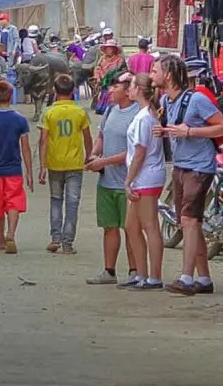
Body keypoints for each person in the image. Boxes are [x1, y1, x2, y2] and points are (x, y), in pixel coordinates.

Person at [151, 54, 223, 295]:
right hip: (181, 165)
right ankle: (204, 278)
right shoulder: (166, 99)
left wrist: (190, 131)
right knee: (189, 222)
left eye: (155, 70)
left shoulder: (196, 100)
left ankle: (187, 277)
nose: (152, 74)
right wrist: (167, 132)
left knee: (189, 221)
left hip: (199, 167)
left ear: (169, 75)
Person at [84, 72, 140, 285]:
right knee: (109, 227)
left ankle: (135, 270)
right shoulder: (109, 111)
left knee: (131, 229)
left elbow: (135, 152)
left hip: (128, 182)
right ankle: (109, 270)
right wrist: (95, 154)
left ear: (128, 91)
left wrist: (104, 162)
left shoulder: (139, 115)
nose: (110, 91)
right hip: (107, 181)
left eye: (114, 87)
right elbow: (101, 136)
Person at [38, 75, 92, 254]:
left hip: (54, 164)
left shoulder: (48, 112)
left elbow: (43, 141)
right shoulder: (80, 112)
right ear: (73, 91)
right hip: (75, 164)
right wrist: (89, 156)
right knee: (72, 203)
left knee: (55, 200)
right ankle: (67, 242)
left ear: (55, 91)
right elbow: (87, 137)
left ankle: (55, 238)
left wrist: (42, 166)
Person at [0, 81, 34, 254]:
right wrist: (29, 173)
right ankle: (11, 233)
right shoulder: (20, 120)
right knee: (13, 201)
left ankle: (1, 239)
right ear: (11, 97)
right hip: (14, 169)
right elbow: (25, 148)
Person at [121, 73, 166, 290]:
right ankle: (141, 272)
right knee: (132, 225)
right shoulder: (146, 115)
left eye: (130, 85)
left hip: (146, 175)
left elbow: (140, 152)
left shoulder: (145, 118)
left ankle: (154, 276)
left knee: (149, 225)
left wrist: (128, 180)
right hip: (144, 175)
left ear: (138, 89)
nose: (127, 89)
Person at [93, 39, 126, 115]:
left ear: (114, 49)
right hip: (104, 86)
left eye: (110, 48)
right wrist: (99, 77)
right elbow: (97, 68)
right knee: (104, 109)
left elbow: (123, 72)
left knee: (113, 106)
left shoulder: (120, 60)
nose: (108, 50)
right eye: (107, 48)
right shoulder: (102, 59)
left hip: (114, 85)